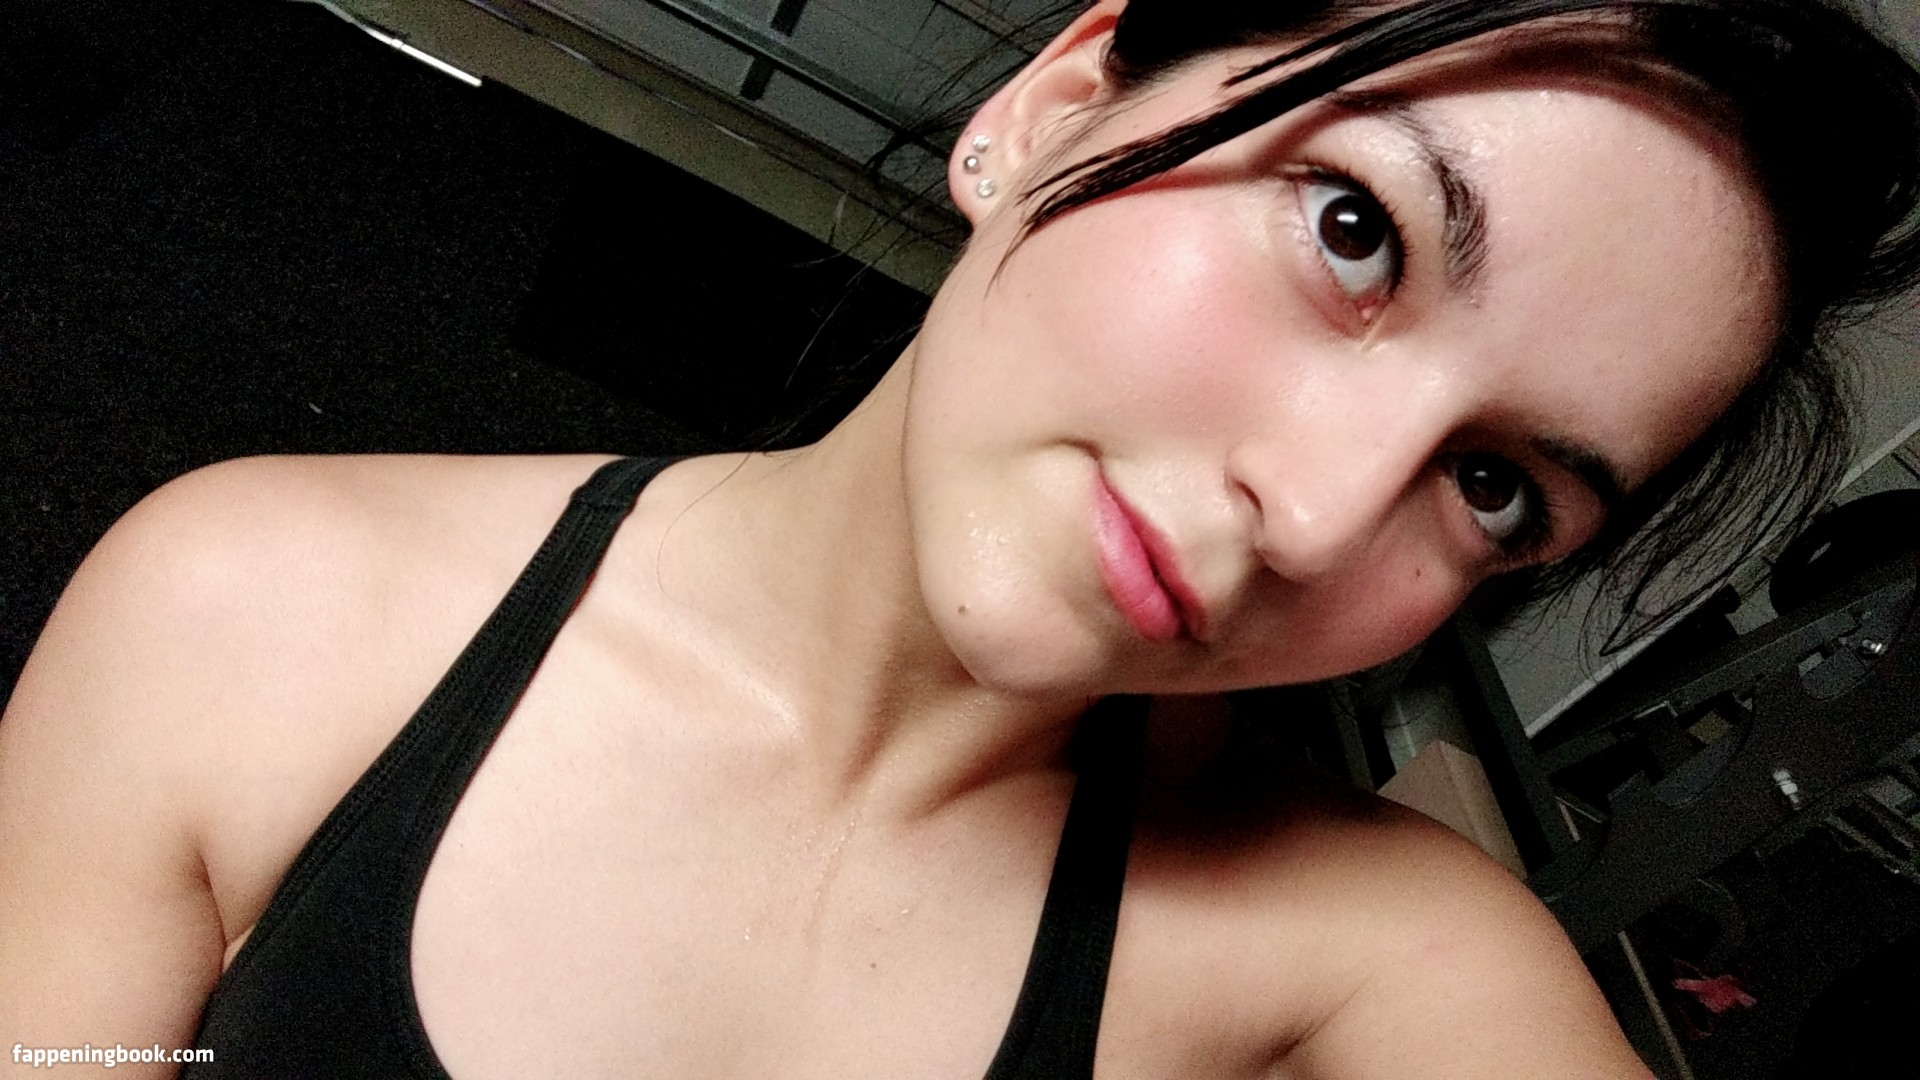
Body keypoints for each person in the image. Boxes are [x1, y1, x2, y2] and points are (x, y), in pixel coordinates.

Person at [4, 0, 1918, 1076]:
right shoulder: (255, 613)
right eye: (1357, 231)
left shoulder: (1367, 974)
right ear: (1052, 110)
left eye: (1496, 486)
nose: (1318, 510)